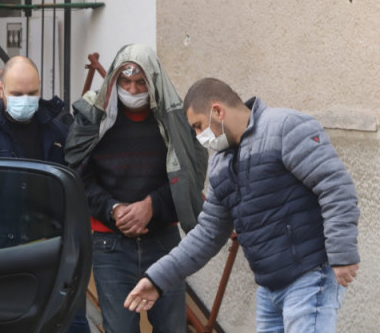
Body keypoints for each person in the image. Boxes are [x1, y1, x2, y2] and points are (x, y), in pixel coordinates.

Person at [124, 78, 360, 333]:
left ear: (217, 111)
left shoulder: (285, 127)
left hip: (310, 277)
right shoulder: (220, 165)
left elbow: (335, 187)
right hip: (269, 290)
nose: (199, 137)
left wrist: (342, 253)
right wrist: (156, 279)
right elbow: (207, 234)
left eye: (199, 126)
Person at [65, 44, 208, 333]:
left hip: (164, 243)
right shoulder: (95, 119)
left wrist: (152, 205)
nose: (132, 90)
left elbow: (189, 176)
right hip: (110, 246)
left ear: (153, 81)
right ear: (114, 81)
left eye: (141, 82)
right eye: (125, 81)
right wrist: (113, 209)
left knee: (172, 328)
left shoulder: (173, 121)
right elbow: (77, 175)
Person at [0, 55, 89, 333]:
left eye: (32, 93)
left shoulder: (59, 131)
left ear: (40, 88)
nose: (25, 100)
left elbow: (77, 193)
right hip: (3, 265)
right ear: (1, 90)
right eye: (16, 94)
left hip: (57, 260)